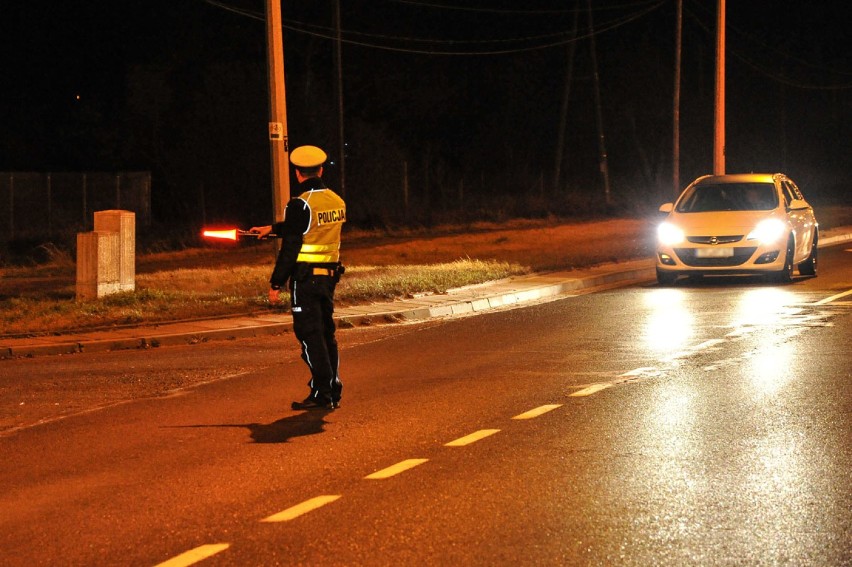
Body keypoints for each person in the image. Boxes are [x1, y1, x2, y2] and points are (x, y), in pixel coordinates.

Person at [251, 145, 346, 410]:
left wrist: (276, 283)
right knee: (326, 334)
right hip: (328, 279)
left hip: (305, 280)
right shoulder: (336, 201)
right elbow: (307, 228)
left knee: (308, 335)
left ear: (297, 173)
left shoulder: (300, 204)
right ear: (321, 169)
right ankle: (332, 388)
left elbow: (292, 245)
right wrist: (272, 228)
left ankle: (322, 392)